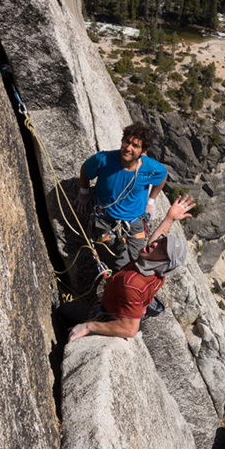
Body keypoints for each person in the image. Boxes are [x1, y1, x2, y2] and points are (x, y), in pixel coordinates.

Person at [62, 194, 195, 342]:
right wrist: (170, 218)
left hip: (106, 316)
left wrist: (88, 327)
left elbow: (129, 330)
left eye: (162, 250)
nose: (154, 245)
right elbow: (156, 240)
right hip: (115, 307)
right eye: (161, 242)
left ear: (164, 262)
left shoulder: (132, 283)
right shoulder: (157, 271)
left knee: (63, 312)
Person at [77, 122, 168, 270]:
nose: (128, 148)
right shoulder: (104, 160)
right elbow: (85, 169)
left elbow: (163, 176)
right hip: (106, 221)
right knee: (122, 267)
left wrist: (150, 202)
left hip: (134, 222)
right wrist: (84, 192)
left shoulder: (150, 168)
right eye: (127, 142)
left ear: (144, 151)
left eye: (135, 146)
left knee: (140, 263)